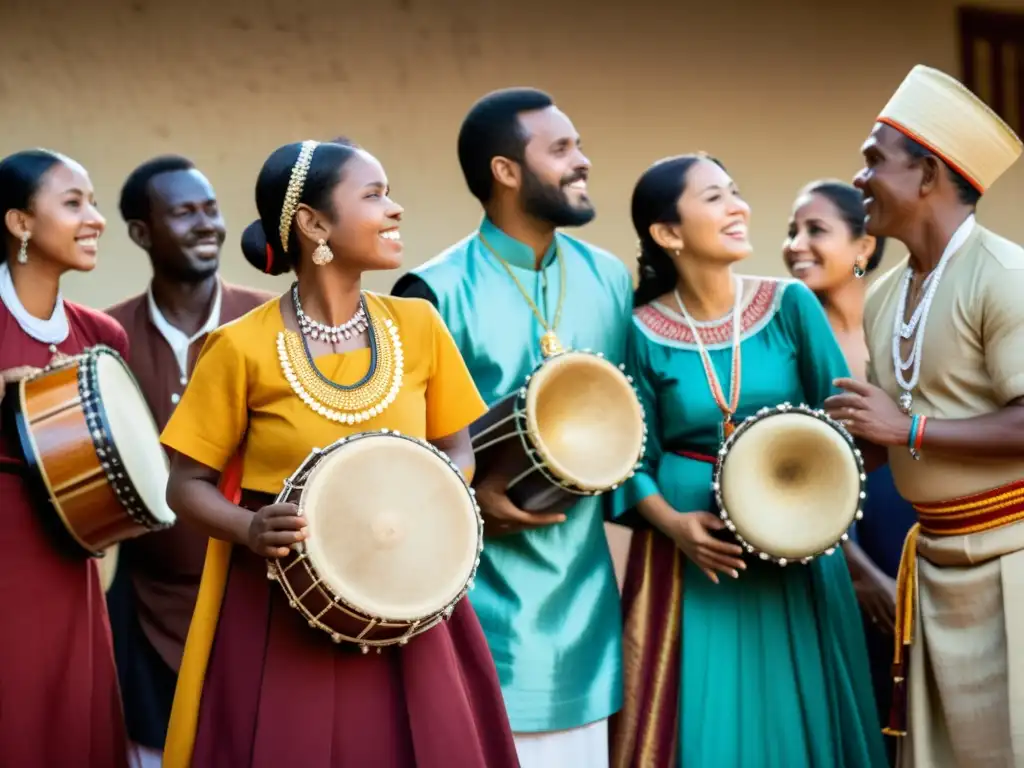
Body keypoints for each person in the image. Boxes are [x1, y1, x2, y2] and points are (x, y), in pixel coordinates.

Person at [157, 139, 520, 768]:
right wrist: (247, 527)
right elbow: (185, 484)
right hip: (279, 600)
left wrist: (424, 498)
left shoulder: (420, 327)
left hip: (411, 595)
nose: (395, 209)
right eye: (375, 195)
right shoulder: (239, 348)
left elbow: (458, 451)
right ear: (314, 223)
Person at [608, 153, 887, 767]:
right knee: (702, 724)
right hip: (691, 558)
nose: (739, 207)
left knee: (802, 716)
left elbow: (845, 431)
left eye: (735, 192)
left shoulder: (790, 306)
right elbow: (630, 458)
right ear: (668, 233)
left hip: (799, 553)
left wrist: (805, 517)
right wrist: (675, 525)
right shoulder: (638, 328)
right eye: (714, 198)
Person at [392, 87, 633, 767]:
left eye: (578, 145)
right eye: (561, 149)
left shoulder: (609, 279)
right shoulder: (432, 292)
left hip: (587, 602)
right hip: (478, 604)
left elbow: (632, 421)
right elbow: (405, 457)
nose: (582, 161)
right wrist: (467, 499)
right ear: (505, 171)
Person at [824, 64, 1024, 767]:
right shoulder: (882, 297)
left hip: (1013, 567)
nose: (859, 176)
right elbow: (896, 431)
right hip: (934, 570)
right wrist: (825, 449)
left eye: (874, 159)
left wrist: (902, 429)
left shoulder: (1006, 276)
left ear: (930, 174)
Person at [104, 155, 273, 768]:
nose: (207, 225)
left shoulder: (270, 326)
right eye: (183, 212)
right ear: (142, 233)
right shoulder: (106, 339)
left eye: (211, 209)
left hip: (261, 606)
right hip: (144, 615)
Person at [0, 148, 129, 767]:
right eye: (73, 203)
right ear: (20, 223)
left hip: (70, 558)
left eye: (95, 204)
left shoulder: (102, 338)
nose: (94, 218)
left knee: (67, 726)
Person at [783, 179, 915, 763]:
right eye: (792, 231)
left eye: (816, 230)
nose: (795, 244)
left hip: (903, 525)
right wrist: (856, 569)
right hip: (823, 541)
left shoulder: (897, 324)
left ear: (863, 249)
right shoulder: (785, 333)